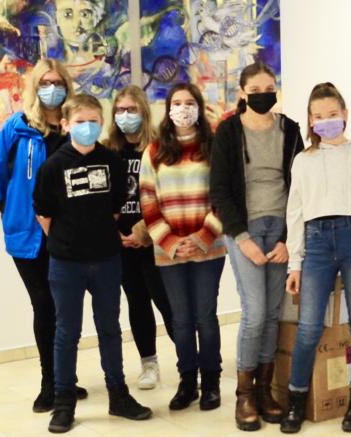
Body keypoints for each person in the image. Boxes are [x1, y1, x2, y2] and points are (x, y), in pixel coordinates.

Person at [33, 93, 152, 433]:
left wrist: (95, 234)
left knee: (110, 328)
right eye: (80, 121)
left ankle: (118, 395)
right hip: (66, 263)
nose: (87, 127)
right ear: (66, 124)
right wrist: (69, 240)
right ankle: (64, 403)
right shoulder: (53, 166)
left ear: (102, 123)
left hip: (106, 259)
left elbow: (115, 209)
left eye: (93, 121)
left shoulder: (112, 161)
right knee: (66, 333)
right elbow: (44, 214)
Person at [0, 59, 89, 412]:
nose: (52, 89)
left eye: (58, 83)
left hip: (69, 235)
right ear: (35, 87)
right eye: (45, 82)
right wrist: (14, 211)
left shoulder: (76, 128)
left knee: (66, 308)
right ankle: (50, 384)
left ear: (67, 87)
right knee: (44, 304)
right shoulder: (17, 128)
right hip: (28, 236)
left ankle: (65, 379)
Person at [280, 83, 351, 434]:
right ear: (310, 120)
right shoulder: (303, 160)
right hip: (317, 243)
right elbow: (295, 213)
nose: (326, 121)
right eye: (318, 116)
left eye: (332, 114)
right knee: (309, 326)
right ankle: (296, 399)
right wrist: (295, 264)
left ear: (345, 114)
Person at [210, 62, 305, 431]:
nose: (264, 94)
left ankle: (265, 390)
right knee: (255, 311)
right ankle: (245, 394)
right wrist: (242, 238)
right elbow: (219, 191)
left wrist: (288, 239)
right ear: (242, 93)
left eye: (270, 88)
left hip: (280, 229)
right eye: (256, 89)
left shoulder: (290, 130)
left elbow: (300, 187)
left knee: (272, 312)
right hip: (244, 230)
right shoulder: (228, 131)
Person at [139, 83, 227, 412]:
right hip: (168, 250)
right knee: (181, 319)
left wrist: (202, 238)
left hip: (209, 247)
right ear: (168, 109)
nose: (183, 109)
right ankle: (187, 381)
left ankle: (211, 382)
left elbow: (224, 197)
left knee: (205, 316)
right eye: (177, 103)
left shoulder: (214, 146)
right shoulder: (154, 151)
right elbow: (148, 201)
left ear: (199, 108)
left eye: (190, 103)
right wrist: (171, 242)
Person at [105, 85, 175, 389]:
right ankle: (149, 364)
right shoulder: (107, 150)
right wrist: (116, 233)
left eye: (131, 109)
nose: (125, 116)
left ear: (143, 112)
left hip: (156, 239)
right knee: (137, 302)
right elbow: (101, 199)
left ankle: (189, 360)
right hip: (121, 243)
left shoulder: (159, 148)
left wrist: (144, 232)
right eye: (120, 110)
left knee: (167, 301)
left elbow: (169, 196)